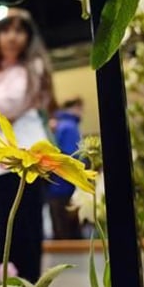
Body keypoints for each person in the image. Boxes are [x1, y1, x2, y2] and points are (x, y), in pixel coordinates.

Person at [0, 8, 56, 287]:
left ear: (29, 37)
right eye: (6, 30)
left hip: (20, 164)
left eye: (20, 31)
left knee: (21, 236)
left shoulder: (30, 71)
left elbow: (8, 104)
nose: (12, 37)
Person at [46, 98, 84, 239]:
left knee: (60, 230)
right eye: (80, 108)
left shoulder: (59, 125)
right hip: (66, 187)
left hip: (54, 187)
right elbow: (72, 157)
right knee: (69, 233)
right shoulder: (69, 126)